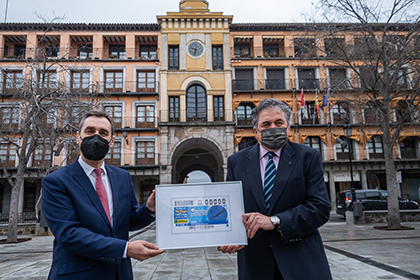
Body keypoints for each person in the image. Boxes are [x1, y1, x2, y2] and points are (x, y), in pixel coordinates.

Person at [42, 110, 164, 280]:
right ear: (78, 137)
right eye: (90, 131)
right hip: (78, 275)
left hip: (119, 274)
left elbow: (129, 220)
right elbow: (69, 234)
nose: (96, 137)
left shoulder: (122, 177)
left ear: (112, 141)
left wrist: (149, 209)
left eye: (103, 133)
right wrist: (125, 249)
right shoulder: (56, 181)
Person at [218, 98, 332, 280]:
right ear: (256, 131)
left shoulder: (308, 157)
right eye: (266, 124)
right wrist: (230, 236)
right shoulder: (236, 161)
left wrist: (276, 221)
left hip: (301, 262)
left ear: (288, 128)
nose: (273, 128)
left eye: (279, 123)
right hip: (256, 265)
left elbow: (320, 207)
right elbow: (231, 209)